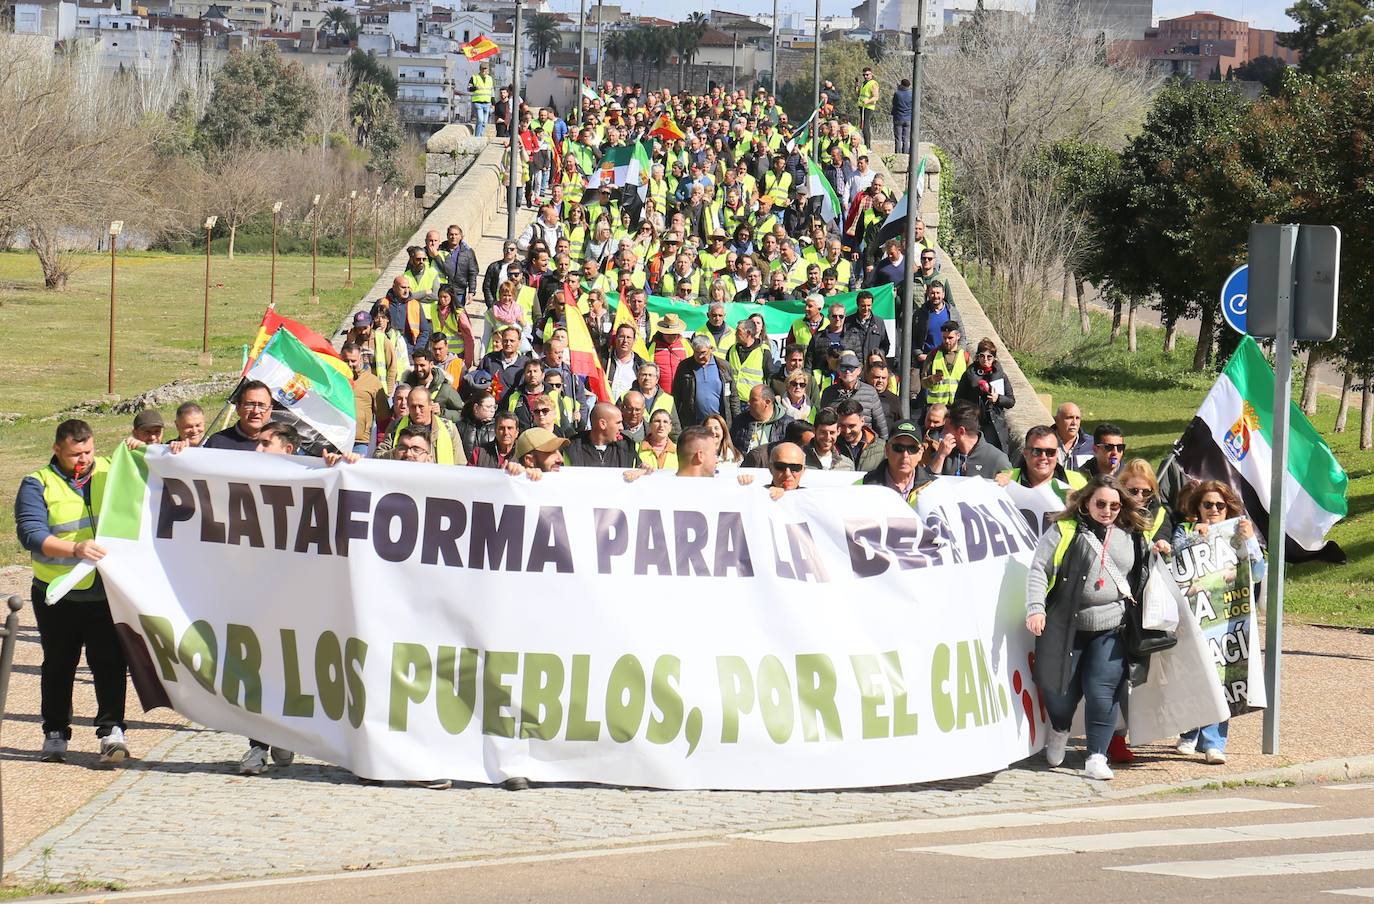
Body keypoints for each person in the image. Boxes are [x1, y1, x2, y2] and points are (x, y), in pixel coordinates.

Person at [15, 419, 129, 764]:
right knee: (59, 665)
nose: (83, 460)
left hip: (106, 592)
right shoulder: (38, 483)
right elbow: (31, 533)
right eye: (75, 454)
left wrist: (145, 450)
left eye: (88, 452)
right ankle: (55, 732)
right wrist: (74, 550)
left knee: (110, 663)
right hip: (57, 594)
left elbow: (150, 469)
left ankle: (111, 732)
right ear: (56, 450)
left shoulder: (112, 469)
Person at [1025, 475, 1153, 781]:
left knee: (1102, 692)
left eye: (1114, 505)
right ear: (1086, 502)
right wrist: (1036, 608)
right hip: (1064, 625)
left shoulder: (1132, 534)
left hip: (1111, 626)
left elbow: (1145, 575)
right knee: (1059, 693)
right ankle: (1060, 728)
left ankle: (1097, 755)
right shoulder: (1064, 529)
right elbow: (1039, 570)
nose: (1107, 510)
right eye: (1100, 504)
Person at [1172, 479, 1266, 765]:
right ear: (1197, 508)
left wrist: (1249, 540)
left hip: (1227, 619)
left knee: (1223, 679)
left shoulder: (1238, 533)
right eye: (1208, 505)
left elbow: (1259, 572)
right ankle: (1189, 732)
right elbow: (1174, 566)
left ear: (1228, 509)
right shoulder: (1184, 531)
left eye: (1219, 506)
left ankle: (1214, 742)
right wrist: (1194, 540)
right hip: (1194, 618)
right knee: (1193, 676)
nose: (1213, 510)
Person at [376, 386, 466, 465]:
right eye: (413, 406)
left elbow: (460, 464)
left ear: (431, 405)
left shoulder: (449, 428)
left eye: (421, 406)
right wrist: (397, 453)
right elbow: (377, 456)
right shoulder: (395, 426)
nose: (417, 411)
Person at [954, 338, 1016, 452]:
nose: (985, 360)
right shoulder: (969, 375)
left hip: (995, 423)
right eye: (982, 356)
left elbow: (1011, 401)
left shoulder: (1000, 375)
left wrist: (998, 399)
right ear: (977, 357)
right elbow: (958, 400)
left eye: (989, 357)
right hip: (974, 423)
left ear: (994, 358)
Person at [997, 425, 1088, 502]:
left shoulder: (1079, 482)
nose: (1043, 457)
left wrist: (1077, 506)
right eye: (1036, 451)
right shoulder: (1005, 481)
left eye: (1050, 452)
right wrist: (997, 489)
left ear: (1056, 454)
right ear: (1025, 453)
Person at [820, 350, 890, 439]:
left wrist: (883, 447)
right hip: (837, 446)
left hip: (865, 445)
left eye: (851, 368)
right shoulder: (828, 393)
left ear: (859, 371)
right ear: (838, 370)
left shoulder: (870, 392)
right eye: (843, 368)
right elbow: (823, 423)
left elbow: (881, 425)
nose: (847, 372)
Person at [929, 401, 1011, 478]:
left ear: (961, 431)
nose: (942, 433)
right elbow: (928, 484)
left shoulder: (997, 459)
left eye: (946, 429)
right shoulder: (944, 451)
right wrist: (940, 457)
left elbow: (1010, 488)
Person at [859, 419, 927, 504]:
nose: (905, 455)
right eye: (898, 448)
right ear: (887, 450)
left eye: (912, 449)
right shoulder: (864, 486)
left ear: (920, 453)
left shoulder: (932, 488)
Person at [673, 336, 734, 428]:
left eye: (703, 353)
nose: (700, 356)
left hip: (719, 422)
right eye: (696, 352)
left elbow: (733, 395)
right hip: (694, 423)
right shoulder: (684, 367)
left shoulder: (723, 366)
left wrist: (736, 417)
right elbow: (677, 395)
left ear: (711, 349)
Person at [342, 340, 389, 456]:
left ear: (361, 360)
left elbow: (383, 415)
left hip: (360, 442)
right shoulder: (334, 379)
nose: (350, 364)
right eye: (346, 361)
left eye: (353, 361)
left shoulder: (373, 382)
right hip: (338, 438)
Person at [205, 381, 274, 451]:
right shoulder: (216, 444)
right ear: (238, 408)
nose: (255, 411)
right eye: (249, 405)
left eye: (261, 406)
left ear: (270, 409)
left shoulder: (280, 445)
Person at [564, 402, 637, 468]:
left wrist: (642, 470)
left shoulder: (627, 448)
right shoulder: (573, 448)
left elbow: (638, 470)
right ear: (602, 424)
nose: (621, 428)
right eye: (618, 423)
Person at [403, 346, 463, 422]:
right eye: (416, 365)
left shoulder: (445, 388)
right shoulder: (407, 386)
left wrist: (441, 412)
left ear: (431, 364)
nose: (418, 369)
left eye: (422, 365)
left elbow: (460, 413)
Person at [921, 320, 969, 412]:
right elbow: (923, 383)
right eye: (944, 338)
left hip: (957, 409)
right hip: (936, 409)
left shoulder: (965, 357)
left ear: (958, 336)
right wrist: (931, 379)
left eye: (950, 338)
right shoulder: (933, 355)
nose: (947, 341)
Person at [731, 385, 794, 454]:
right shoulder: (740, 421)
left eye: (753, 400)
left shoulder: (788, 425)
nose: (748, 403)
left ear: (767, 402)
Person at [835, 399, 886, 472]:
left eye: (851, 426)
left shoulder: (881, 448)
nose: (847, 431)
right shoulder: (832, 446)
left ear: (862, 421)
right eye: (842, 425)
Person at [804, 407, 853, 471]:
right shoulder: (799, 459)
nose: (827, 437)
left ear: (838, 431)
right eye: (823, 432)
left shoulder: (847, 465)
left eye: (832, 433)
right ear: (814, 430)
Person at [1053, 402, 1095, 470]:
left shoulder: (1091, 444)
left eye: (1077, 418)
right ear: (1057, 420)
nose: (1074, 423)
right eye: (1069, 418)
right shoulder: (1044, 443)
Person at [469, 61, 494, 137]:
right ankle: (477, 137)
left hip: (487, 103)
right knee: (480, 119)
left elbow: (492, 91)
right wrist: (475, 88)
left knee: (484, 122)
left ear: (488, 70)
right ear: (480, 69)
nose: (484, 71)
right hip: (477, 102)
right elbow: (469, 88)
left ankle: (481, 135)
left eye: (485, 69)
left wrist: (493, 103)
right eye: (482, 69)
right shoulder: (474, 77)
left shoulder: (490, 79)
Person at [857, 67, 879, 148]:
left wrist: (868, 101)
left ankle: (868, 145)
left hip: (868, 107)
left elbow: (876, 97)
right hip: (862, 106)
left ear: (871, 74)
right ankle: (865, 144)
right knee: (862, 126)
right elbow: (860, 94)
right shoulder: (864, 83)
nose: (865, 76)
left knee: (865, 126)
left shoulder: (873, 84)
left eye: (867, 74)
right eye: (864, 75)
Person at [891, 77, 912, 155]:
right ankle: (905, 153)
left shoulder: (897, 93)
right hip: (908, 118)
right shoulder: (911, 94)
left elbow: (894, 103)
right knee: (906, 138)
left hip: (898, 117)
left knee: (898, 138)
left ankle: (898, 153)